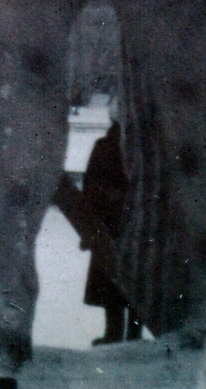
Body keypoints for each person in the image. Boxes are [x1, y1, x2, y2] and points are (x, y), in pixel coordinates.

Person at [82, 121, 141, 345]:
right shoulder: (143, 145)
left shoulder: (106, 145)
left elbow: (90, 185)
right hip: (129, 223)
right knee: (128, 280)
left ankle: (115, 333)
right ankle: (128, 334)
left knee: (111, 279)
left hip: (110, 222)